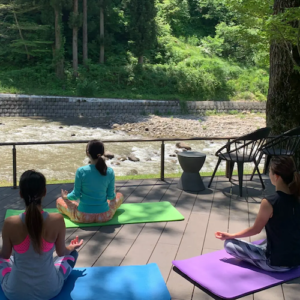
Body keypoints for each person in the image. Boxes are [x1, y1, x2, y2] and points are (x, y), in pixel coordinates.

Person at [0, 170, 83, 300]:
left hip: (15, 292)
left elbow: (5, 255)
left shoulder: (10, 223)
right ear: (44, 192)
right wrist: (72, 247)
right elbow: (62, 252)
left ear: (21, 194)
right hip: (49, 290)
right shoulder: (57, 219)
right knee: (72, 254)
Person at [215, 156, 300, 272]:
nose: (269, 174)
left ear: (276, 177)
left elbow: (255, 230)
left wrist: (231, 235)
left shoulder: (269, 202)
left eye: (269, 171)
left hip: (275, 263)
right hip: (296, 261)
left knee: (229, 244)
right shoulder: (297, 197)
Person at [56, 139, 124, 223]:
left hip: (83, 216)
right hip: (104, 216)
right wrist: (113, 192)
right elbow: (111, 197)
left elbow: (75, 195)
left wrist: (66, 197)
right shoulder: (109, 171)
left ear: (88, 153)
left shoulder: (81, 171)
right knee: (119, 195)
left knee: (59, 200)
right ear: (102, 153)